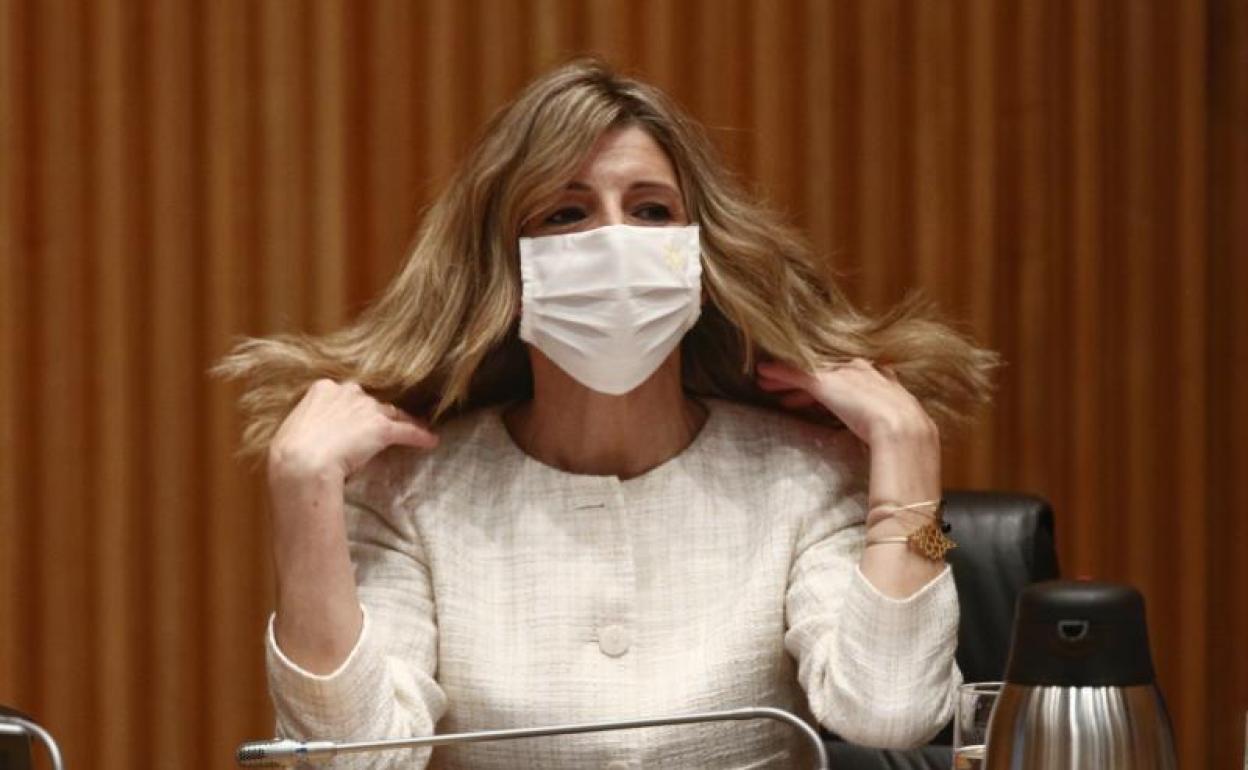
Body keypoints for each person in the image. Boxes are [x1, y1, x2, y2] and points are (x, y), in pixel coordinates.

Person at [217, 58, 996, 769]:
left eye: (651, 211)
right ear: (507, 268)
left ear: (698, 256)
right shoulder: (410, 489)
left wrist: (911, 458)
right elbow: (351, 760)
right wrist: (302, 490)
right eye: (567, 215)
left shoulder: (805, 471)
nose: (616, 240)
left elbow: (893, 711)